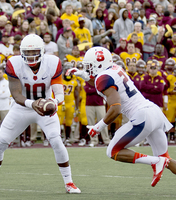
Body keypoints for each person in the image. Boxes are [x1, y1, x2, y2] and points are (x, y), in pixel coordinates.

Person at [0, 34, 81, 194]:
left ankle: (69, 182)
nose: (30, 56)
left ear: (42, 51)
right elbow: (16, 94)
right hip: (21, 107)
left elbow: (59, 93)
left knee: (57, 141)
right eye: (27, 52)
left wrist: (54, 103)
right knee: (0, 142)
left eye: (34, 52)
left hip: (45, 108)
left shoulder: (53, 62)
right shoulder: (14, 63)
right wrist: (33, 103)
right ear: (21, 52)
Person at [67, 46, 176, 187]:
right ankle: (159, 161)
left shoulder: (103, 77)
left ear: (98, 65)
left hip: (142, 116)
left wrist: (98, 127)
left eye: (90, 66)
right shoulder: (114, 68)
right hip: (154, 112)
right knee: (167, 159)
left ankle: (155, 162)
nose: (88, 69)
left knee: (112, 151)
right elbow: (101, 83)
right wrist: (83, 75)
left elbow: (116, 107)